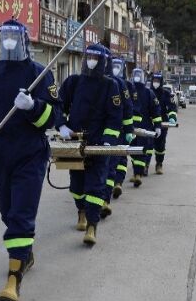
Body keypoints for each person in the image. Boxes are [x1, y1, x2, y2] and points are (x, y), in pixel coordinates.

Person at [0, 20, 61, 301]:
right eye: (4, 35)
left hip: (31, 155)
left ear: (24, 41)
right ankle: (25, 255)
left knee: (20, 214)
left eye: (14, 36)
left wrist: (33, 107)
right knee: (7, 210)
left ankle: (13, 278)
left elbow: (53, 118)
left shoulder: (40, 74)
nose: (8, 41)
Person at [57, 44, 122, 246]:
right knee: (77, 186)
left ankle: (92, 226)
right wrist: (61, 126)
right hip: (75, 143)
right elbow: (58, 105)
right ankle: (81, 212)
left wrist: (108, 141)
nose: (92, 61)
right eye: (90, 57)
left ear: (103, 61)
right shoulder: (73, 82)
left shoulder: (110, 86)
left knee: (95, 186)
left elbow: (115, 117)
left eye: (96, 58)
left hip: (98, 144)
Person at [104, 55, 135, 206]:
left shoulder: (122, 84)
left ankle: (116, 184)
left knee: (116, 160)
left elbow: (128, 107)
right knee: (113, 160)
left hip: (118, 129)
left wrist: (128, 129)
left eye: (118, 66)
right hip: (104, 129)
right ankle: (114, 184)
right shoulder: (98, 81)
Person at [129, 68, 162, 187]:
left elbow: (156, 110)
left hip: (144, 127)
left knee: (141, 150)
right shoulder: (128, 90)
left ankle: (138, 174)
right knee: (133, 151)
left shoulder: (148, 93)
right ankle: (137, 173)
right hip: (131, 127)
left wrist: (157, 126)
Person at [150, 74, 178, 174]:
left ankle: (159, 164)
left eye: (158, 81)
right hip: (148, 123)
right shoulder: (147, 92)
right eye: (154, 80)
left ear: (161, 82)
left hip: (162, 123)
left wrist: (172, 117)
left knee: (160, 145)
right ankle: (144, 165)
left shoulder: (166, 94)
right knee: (146, 145)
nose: (156, 82)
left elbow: (172, 107)